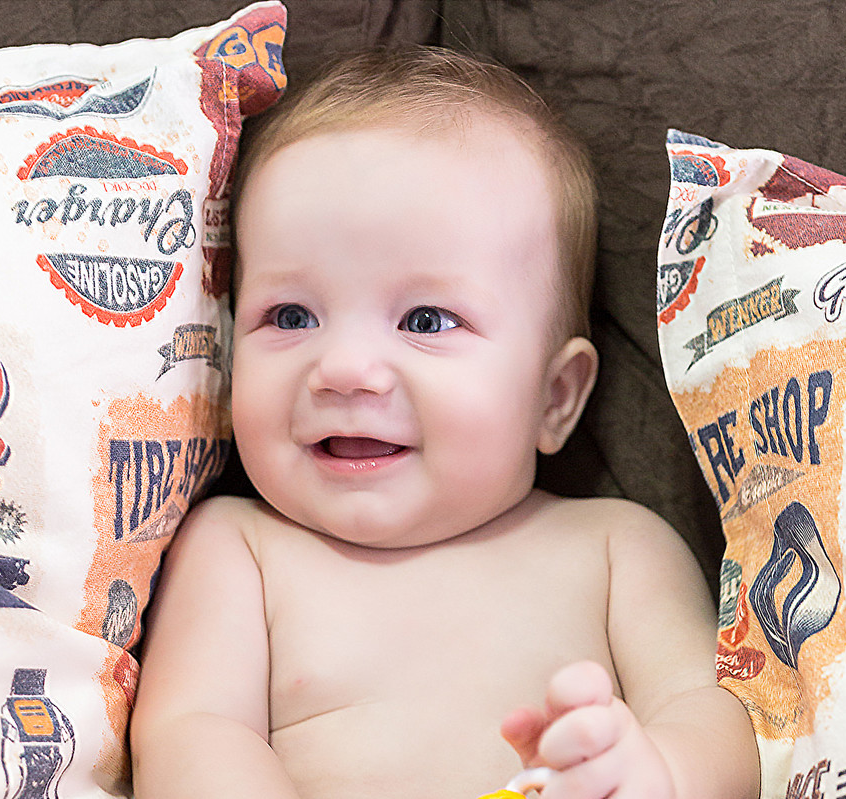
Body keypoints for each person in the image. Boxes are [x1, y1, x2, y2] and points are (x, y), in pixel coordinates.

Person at [129, 45, 759, 799]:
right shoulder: (238, 549)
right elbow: (189, 733)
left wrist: (657, 775)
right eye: (290, 315)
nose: (345, 367)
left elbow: (714, 714)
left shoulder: (618, 549)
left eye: (427, 318)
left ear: (555, 397)